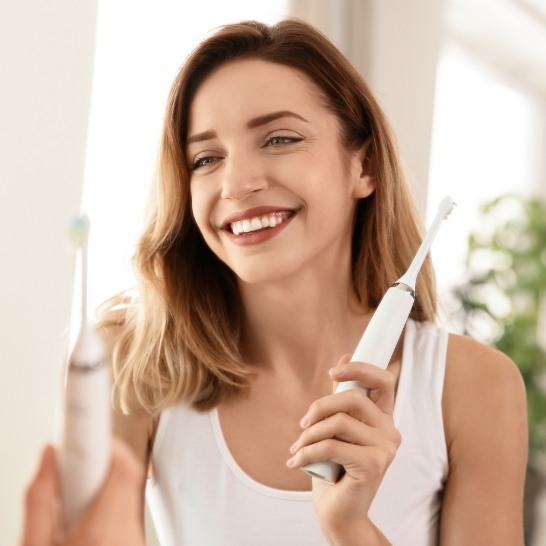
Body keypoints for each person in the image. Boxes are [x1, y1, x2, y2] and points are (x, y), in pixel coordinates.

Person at [21, 18, 527, 545]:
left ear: (365, 165)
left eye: (280, 139)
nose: (237, 184)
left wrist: (348, 527)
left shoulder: (473, 387)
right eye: (206, 158)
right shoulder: (134, 361)